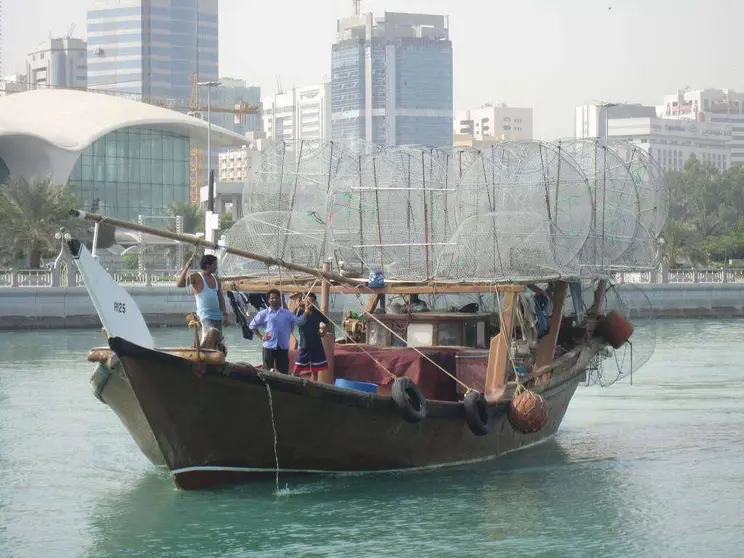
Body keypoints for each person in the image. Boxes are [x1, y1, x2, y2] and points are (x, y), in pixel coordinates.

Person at [249, 289, 306, 374]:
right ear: (268, 300)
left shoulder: (287, 313)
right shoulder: (263, 314)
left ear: (280, 299)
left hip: (283, 347)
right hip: (268, 347)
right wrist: (261, 337)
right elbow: (252, 326)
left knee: (283, 373)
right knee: (267, 373)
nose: (274, 299)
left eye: (276, 298)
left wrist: (307, 312)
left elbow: (299, 321)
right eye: (272, 298)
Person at [176, 254, 228, 341]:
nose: (216, 267)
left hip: (217, 315)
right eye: (215, 264)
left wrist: (225, 314)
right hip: (205, 315)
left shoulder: (216, 279)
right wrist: (186, 267)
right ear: (208, 265)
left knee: (217, 340)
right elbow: (179, 284)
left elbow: (220, 297)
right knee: (211, 335)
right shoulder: (197, 277)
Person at [293, 293, 332, 380]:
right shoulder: (300, 312)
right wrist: (297, 306)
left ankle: (314, 388)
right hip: (304, 345)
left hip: (316, 345)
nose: (309, 303)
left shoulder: (317, 313)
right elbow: (291, 318)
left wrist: (323, 332)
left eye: (311, 301)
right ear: (304, 302)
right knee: (296, 370)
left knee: (315, 371)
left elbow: (329, 324)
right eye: (307, 301)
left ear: (314, 302)